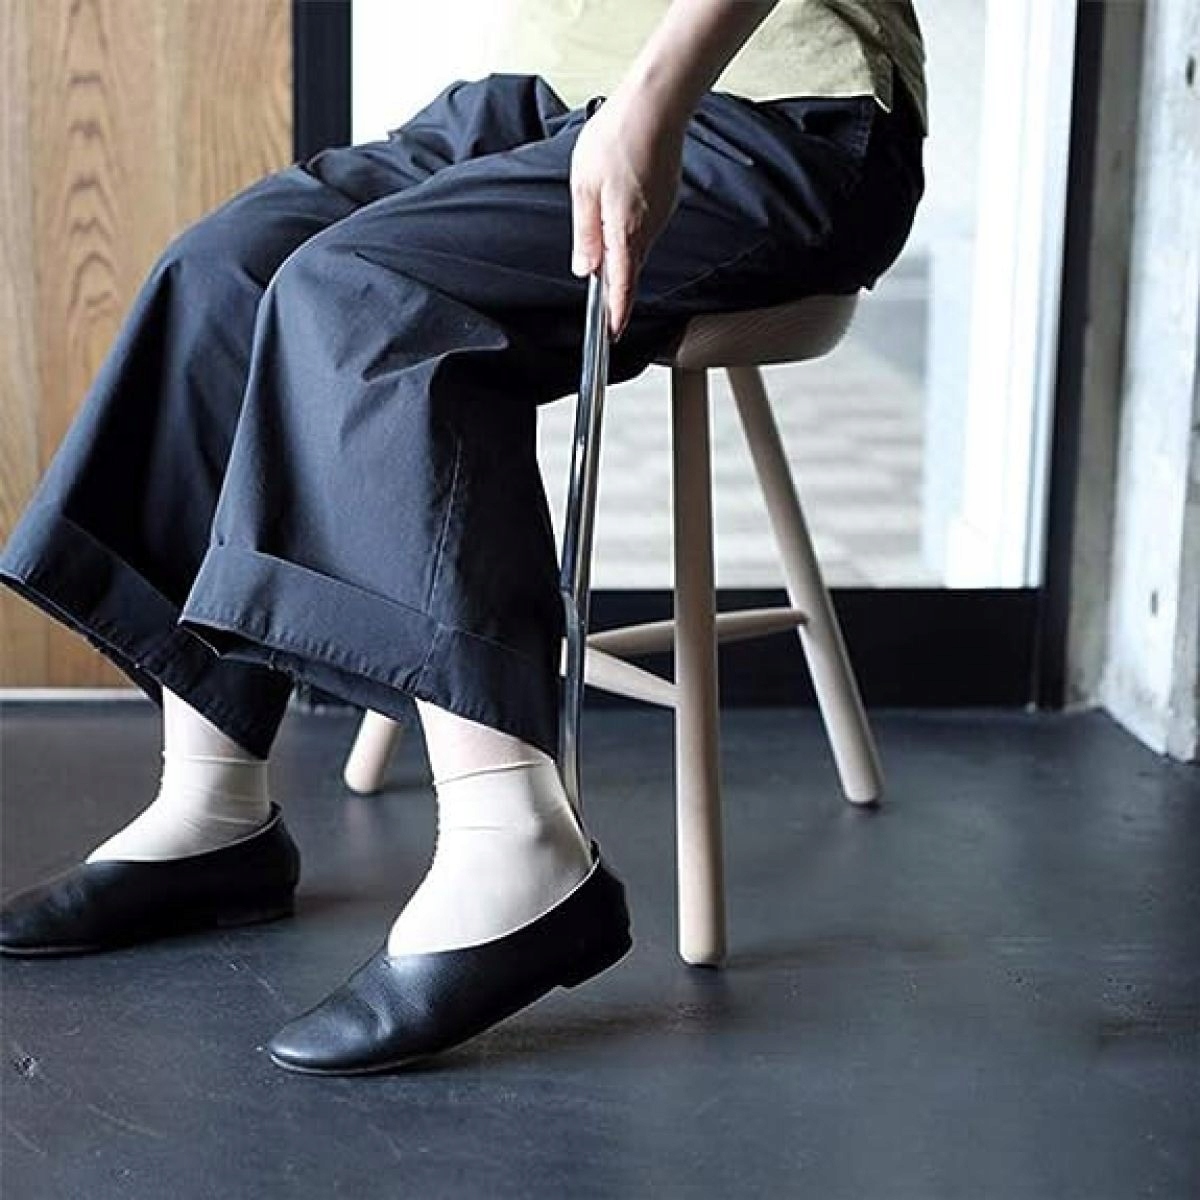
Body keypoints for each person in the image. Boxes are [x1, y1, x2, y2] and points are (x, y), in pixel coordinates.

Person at [0, 0, 927, 1074]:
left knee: (368, 297)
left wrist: (654, 100)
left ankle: (516, 840)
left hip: (770, 109)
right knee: (223, 273)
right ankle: (214, 807)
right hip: (538, 99)